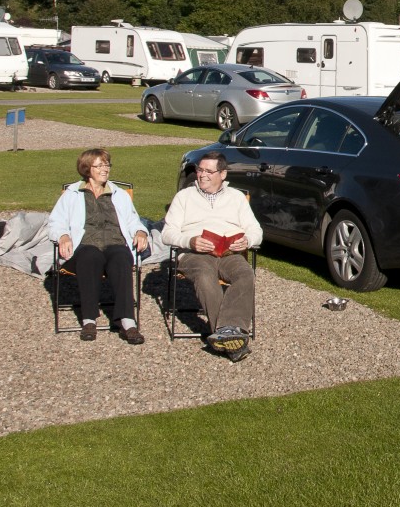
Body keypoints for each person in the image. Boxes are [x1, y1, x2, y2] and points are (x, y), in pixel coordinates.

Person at [161, 151, 263, 362]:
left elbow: (256, 230)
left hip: (229, 252)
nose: (202, 175)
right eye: (200, 170)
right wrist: (190, 241)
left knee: (245, 275)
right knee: (205, 276)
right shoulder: (184, 197)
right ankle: (232, 337)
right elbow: (167, 233)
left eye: (209, 171)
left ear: (222, 174)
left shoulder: (236, 197)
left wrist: (247, 241)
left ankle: (226, 333)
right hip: (195, 253)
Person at [47, 148, 150, 344]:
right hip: (85, 243)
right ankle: (89, 319)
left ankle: (127, 321)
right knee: (90, 257)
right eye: (100, 165)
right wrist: (63, 236)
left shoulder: (119, 194)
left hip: (115, 242)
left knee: (121, 258)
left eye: (107, 164)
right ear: (87, 169)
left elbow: (133, 221)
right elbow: (55, 222)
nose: (105, 169)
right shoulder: (72, 194)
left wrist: (140, 232)